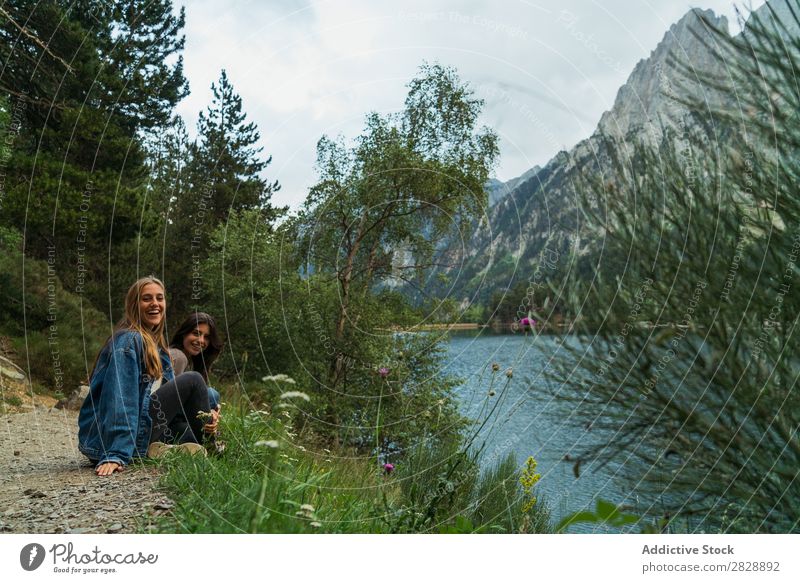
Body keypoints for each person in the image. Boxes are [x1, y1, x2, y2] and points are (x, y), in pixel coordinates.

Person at [78, 277, 216, 477]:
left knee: (210, 396)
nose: (155, 304)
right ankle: (212, 451)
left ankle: (165, 448)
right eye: (147, 299)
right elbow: (121, 398)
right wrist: (116, 453)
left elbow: (173, 403)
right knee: (193, 380)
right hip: (108, 443)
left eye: (159, 298)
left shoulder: (155, 346)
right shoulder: (128, 341)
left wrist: (210, 411)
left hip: (140, 428)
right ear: (134, 305)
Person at [167, 312, 224, 440]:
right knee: (212, 394)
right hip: (162, 424)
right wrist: (207, 409)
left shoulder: (191, 362)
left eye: (207, 337)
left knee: (211, 398)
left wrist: (211, 411)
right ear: (184, 333)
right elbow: (167, 402)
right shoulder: (177, 356)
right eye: (196, 333)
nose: (201, 341)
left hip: (176, 424)